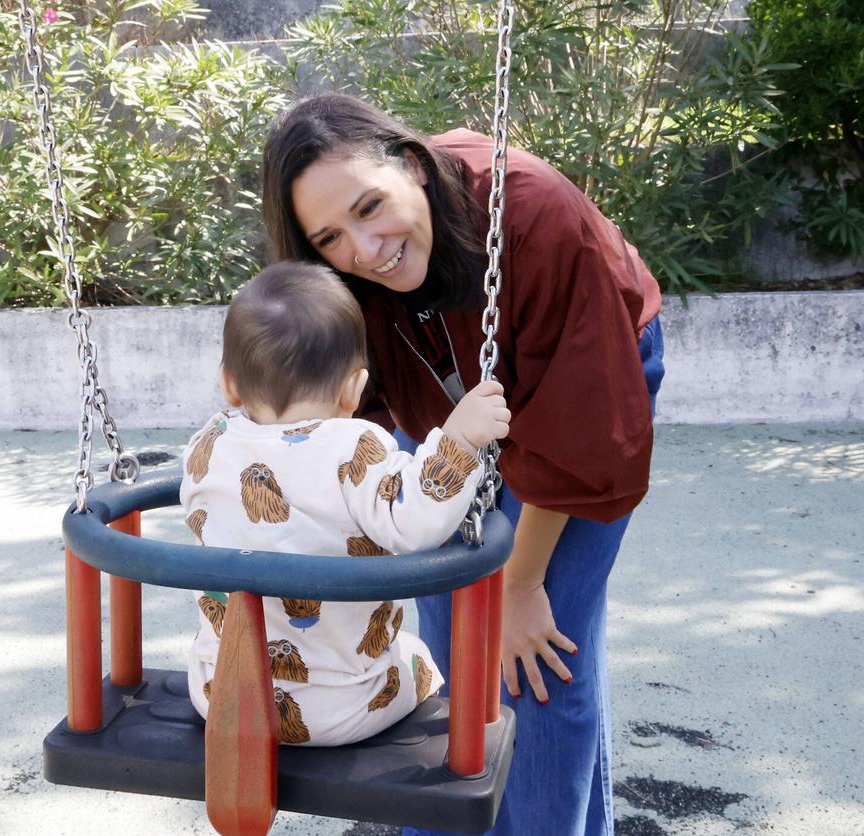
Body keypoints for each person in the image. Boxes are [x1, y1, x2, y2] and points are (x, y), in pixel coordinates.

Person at [261, 94, 665, 834]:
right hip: (454, 402)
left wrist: (521, 584)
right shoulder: (350, 280)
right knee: (451, 648)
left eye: (370, 206)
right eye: (331, 237)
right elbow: (349, 419)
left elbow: (576, 431)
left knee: (533, 656)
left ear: (411, 166)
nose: (365, 247)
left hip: (584, 377)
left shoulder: (535, 214)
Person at [180, 261, 511, 747]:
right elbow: (415, 520)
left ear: (229, 383)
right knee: (416, 657)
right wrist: (459, 439)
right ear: (355, 389)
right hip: (340, 709)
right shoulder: (355, 446)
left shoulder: (206, 445)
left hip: (221, 694)